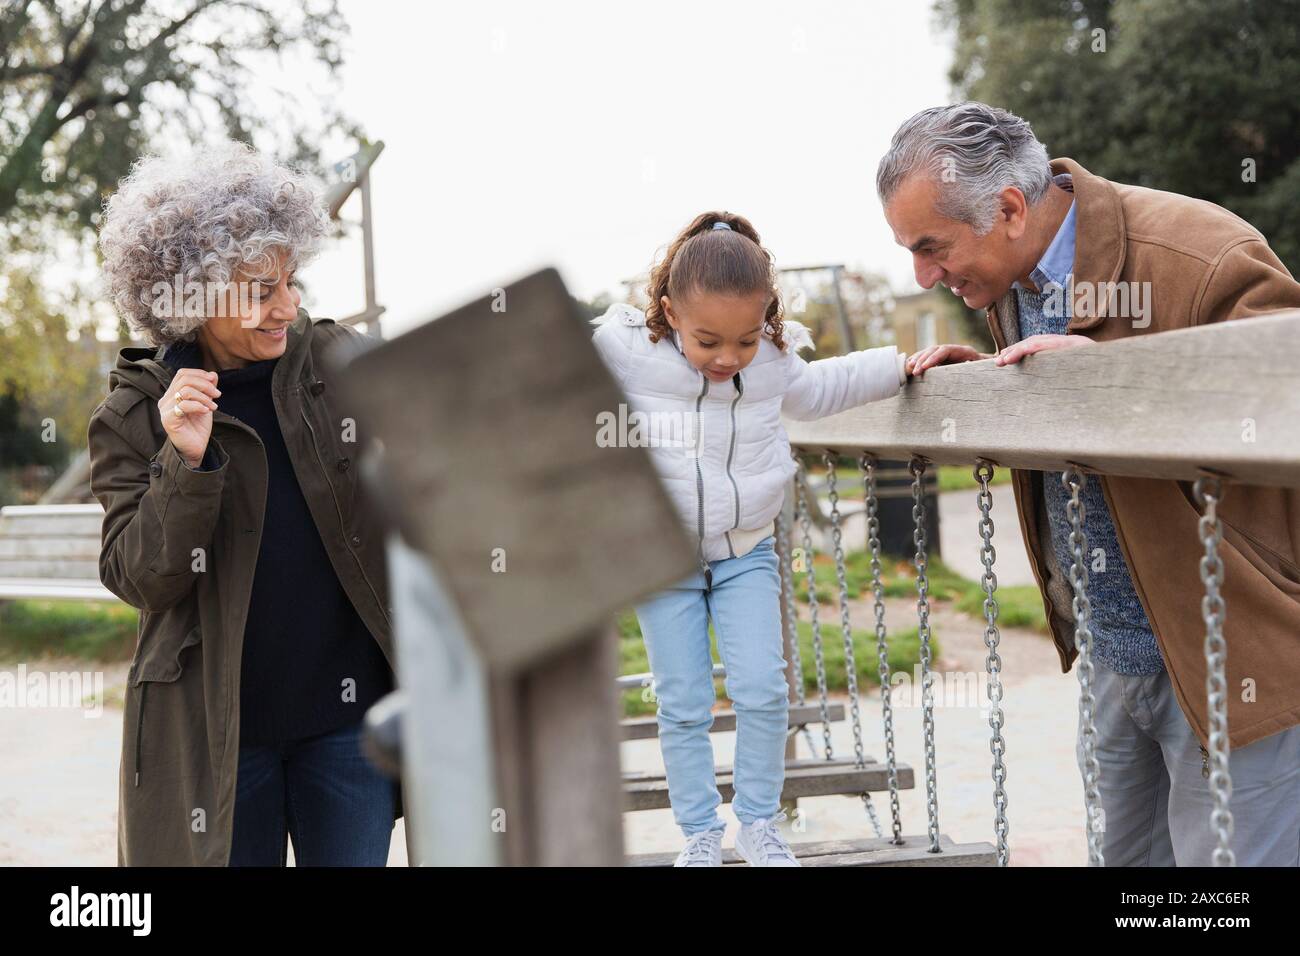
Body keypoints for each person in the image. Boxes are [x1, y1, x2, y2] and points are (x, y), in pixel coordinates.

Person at [880, 102, 1300, 866]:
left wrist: (1109, 388)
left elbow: (1284, 393)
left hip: (1228, 657)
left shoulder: (1200, 250)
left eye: (930, 248)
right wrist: (996, 394)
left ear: (1008, 207)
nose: (923, 276)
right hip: (1113, 655)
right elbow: (1073, 389)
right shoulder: (1012, 275)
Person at [91, 141, 399, 866]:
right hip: (214, 740)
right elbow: (139, 578)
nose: (287, 306)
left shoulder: (335, 363)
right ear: (192, 294)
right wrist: (183, 462)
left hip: (349, 728)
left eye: (290, 280)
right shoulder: (134, 416)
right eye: (261, 291)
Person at [592, 211, 908, 865]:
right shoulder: (627, 351)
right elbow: (554, 366)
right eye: (708, 340)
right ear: (669, 310)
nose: (727, 358)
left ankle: (759, 823)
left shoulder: (771, 362)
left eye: (744, 339)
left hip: (747, 552)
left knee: (764, 687)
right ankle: (701, 834)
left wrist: (900, 365)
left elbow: (824, 388)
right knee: (681, 701)